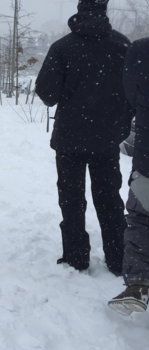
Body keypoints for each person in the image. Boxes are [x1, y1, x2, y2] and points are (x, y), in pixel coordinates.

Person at [35, 0, 133, 275]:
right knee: (110, 200)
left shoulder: (63, 48)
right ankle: (118, 259)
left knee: (71, 199)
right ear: (105, 5)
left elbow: (48, 94)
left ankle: (76, 257)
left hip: (69, 139)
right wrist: (118, 125)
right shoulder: (123, 46)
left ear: (80, 5)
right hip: (106, 139)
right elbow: (134, 95)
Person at [109, 37, 149, 315]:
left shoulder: (141, 51)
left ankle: (139, 284)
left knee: (142, 219)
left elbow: (131, 96)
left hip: (148, 161)